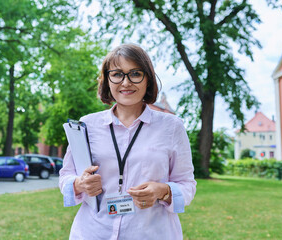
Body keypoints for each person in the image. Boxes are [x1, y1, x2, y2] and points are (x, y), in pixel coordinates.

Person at [59, 43, 196, 240]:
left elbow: (187, 184)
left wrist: (163, 191)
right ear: (107, 80)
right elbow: (66, 175)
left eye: (135, 73)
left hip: (151, 233)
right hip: (92, 232)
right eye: (117, 74)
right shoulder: (86, 125)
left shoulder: (171, 126)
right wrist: (79, 184)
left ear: (148, 79)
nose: (126, 82)